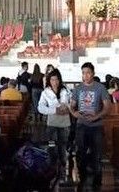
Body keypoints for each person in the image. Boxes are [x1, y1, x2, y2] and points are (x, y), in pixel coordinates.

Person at [70, 62, 111, 190]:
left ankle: (97, 182)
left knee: (97, 154)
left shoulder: (100, 88)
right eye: (83, 73)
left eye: (88, 72)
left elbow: (107, 107)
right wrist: (74, 113)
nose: (85, 75)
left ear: (93, 73)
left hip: (96, 125)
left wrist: (96, 116)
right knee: (81, 152)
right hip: (82, 125)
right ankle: (82, 178)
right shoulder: (78, 89)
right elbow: (72, 106)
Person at [37, 68, 71, 173]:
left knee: (63, 144)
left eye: (56, 79)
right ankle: (52, 165)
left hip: (65, 122)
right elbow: (40, 107)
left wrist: (67, 108)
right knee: (52, 144)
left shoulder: (66, 90)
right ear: (49, 80)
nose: (55, 82)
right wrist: (54, 110)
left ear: (60, 80)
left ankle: (63, 165)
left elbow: (73, 103)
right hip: (52, 121)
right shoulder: (45, 92)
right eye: (52, 80)